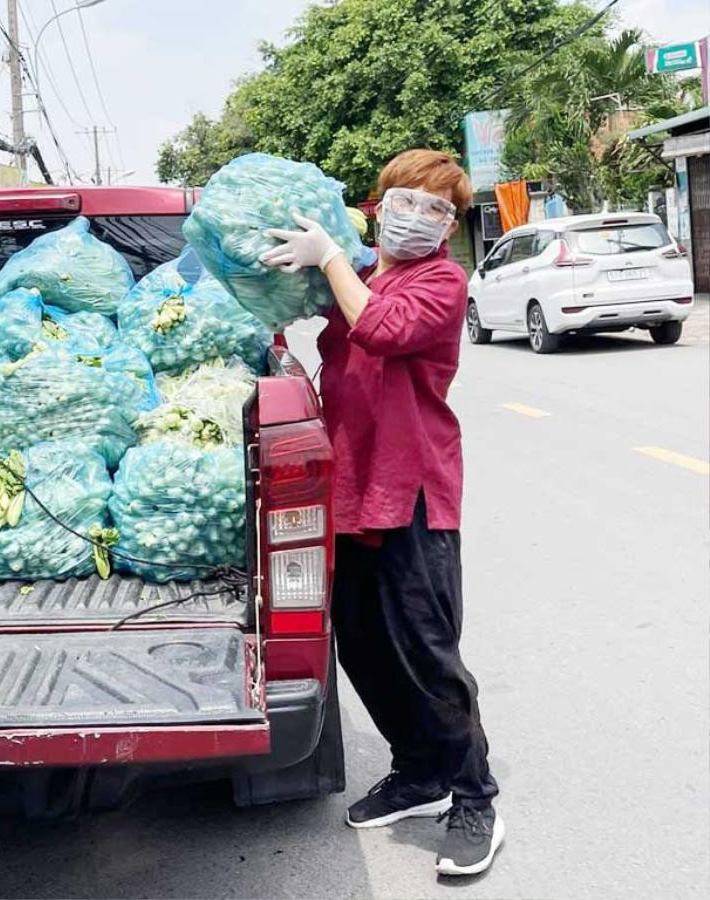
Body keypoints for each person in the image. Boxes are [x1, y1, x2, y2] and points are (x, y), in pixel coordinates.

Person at [261, 149, 503, 877]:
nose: (422, 217)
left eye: (440, 210)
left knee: (427, 653)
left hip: (415, 487)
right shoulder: (363, 271)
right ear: (379, 202)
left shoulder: (441, 279)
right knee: (363, 644)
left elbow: (381, 330)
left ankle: (474, 797)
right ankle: (417, 772)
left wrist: (332, 254)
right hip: (350, 483)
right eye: (409, 200)